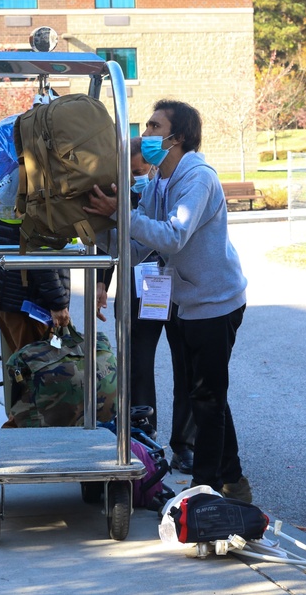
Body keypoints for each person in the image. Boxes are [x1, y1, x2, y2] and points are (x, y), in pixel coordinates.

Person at [85, 99, 251, 502]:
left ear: (177, 138)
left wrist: (122, 212)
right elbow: (141, 247)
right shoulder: (159, 178)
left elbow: (173, 235)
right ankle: (235, 479)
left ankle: (204, 491)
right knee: (207, 392)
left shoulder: (198, 178)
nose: (146, 134)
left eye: (155, 126)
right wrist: (101, 232)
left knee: (207, 396)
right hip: (187, 301)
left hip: (216, 301)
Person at [94, 137, 197, 474]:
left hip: (177, 286)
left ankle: (185, 444)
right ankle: (143, 433)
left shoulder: (178, 186)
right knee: (138, 363)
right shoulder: (118, 192)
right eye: (134, 172)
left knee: (186, 366)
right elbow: (112, 239)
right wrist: (100, 282)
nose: (141, 176)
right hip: (141, 286)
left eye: (144, 170)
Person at [0, 95, 71, 425]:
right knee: (37, 373)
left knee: (18, 368)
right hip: (30, 298)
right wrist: (58, 302)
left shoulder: (0, 178)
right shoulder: (31, 178)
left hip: (7, 295)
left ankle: (20, 430)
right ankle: (23, 436)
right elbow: (37, 246)